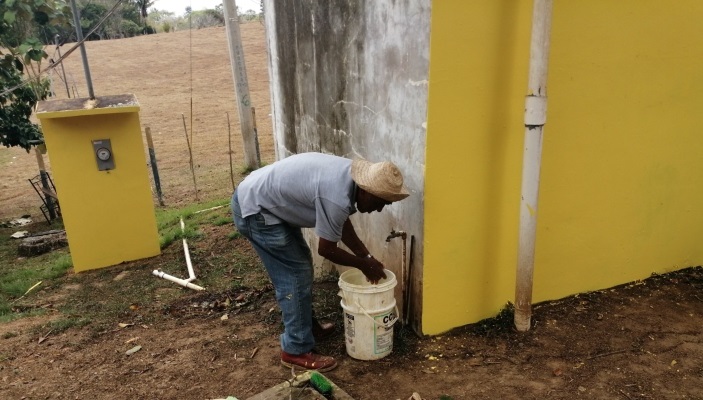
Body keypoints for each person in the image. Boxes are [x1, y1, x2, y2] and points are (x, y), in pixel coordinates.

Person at [231, 152, 410, 371]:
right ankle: (295, 350)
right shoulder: (336, 196)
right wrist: (363, 265)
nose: (379, 209)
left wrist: (366, 256)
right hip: (256, 209)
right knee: (295, 273)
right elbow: (326, 249)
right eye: (379, 203)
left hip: (264, 199)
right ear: (366, 190)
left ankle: (305, 328)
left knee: (300, 266)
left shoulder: (348, 182)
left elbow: (338, 222)